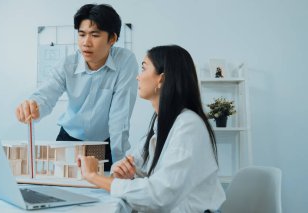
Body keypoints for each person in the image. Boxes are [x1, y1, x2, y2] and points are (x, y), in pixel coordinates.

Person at [78, 45, 226, 212]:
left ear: (161, 79)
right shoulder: (161, 123)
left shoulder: (189, 125)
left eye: (143, 68)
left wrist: (93, 176)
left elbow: (159, 195)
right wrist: (123, 173)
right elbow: (132, 163)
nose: (137, 77)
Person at [15, 4, 138, 170]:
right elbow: (46, 95)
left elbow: (120, 117)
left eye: (95, 35)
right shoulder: (67, 64)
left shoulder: (125, 61)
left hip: (102, 142)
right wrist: (33, 106)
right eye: (81, 35)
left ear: (112, 39)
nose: (86, 43)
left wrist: (119, 164)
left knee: (102, 189)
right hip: (70, 139)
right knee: (63, 188)